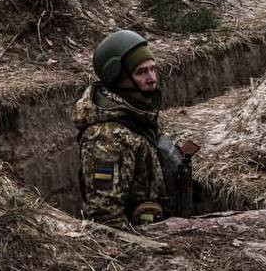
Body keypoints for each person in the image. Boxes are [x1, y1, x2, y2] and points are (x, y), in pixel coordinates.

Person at [73, 29, 196, 229]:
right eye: (141, 72)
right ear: (117, 78)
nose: (152, 78)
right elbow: (105, 218)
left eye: (152, 69)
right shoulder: (106, 137)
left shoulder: (137, 114)